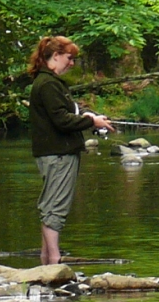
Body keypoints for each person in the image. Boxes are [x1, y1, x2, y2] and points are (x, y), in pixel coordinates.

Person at [26, 36, 111, 266]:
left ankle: (46, 259)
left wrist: (89, 116)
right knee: (55, 207)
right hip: (58, 153)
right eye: (69, 58)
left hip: (55, 152)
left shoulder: (47, 83)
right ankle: (54, 259)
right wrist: (92, 123)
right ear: (55, 56)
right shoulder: (48, 84)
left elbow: (69, 111)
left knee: (52, 204)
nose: (72, 63)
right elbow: (62, 120)